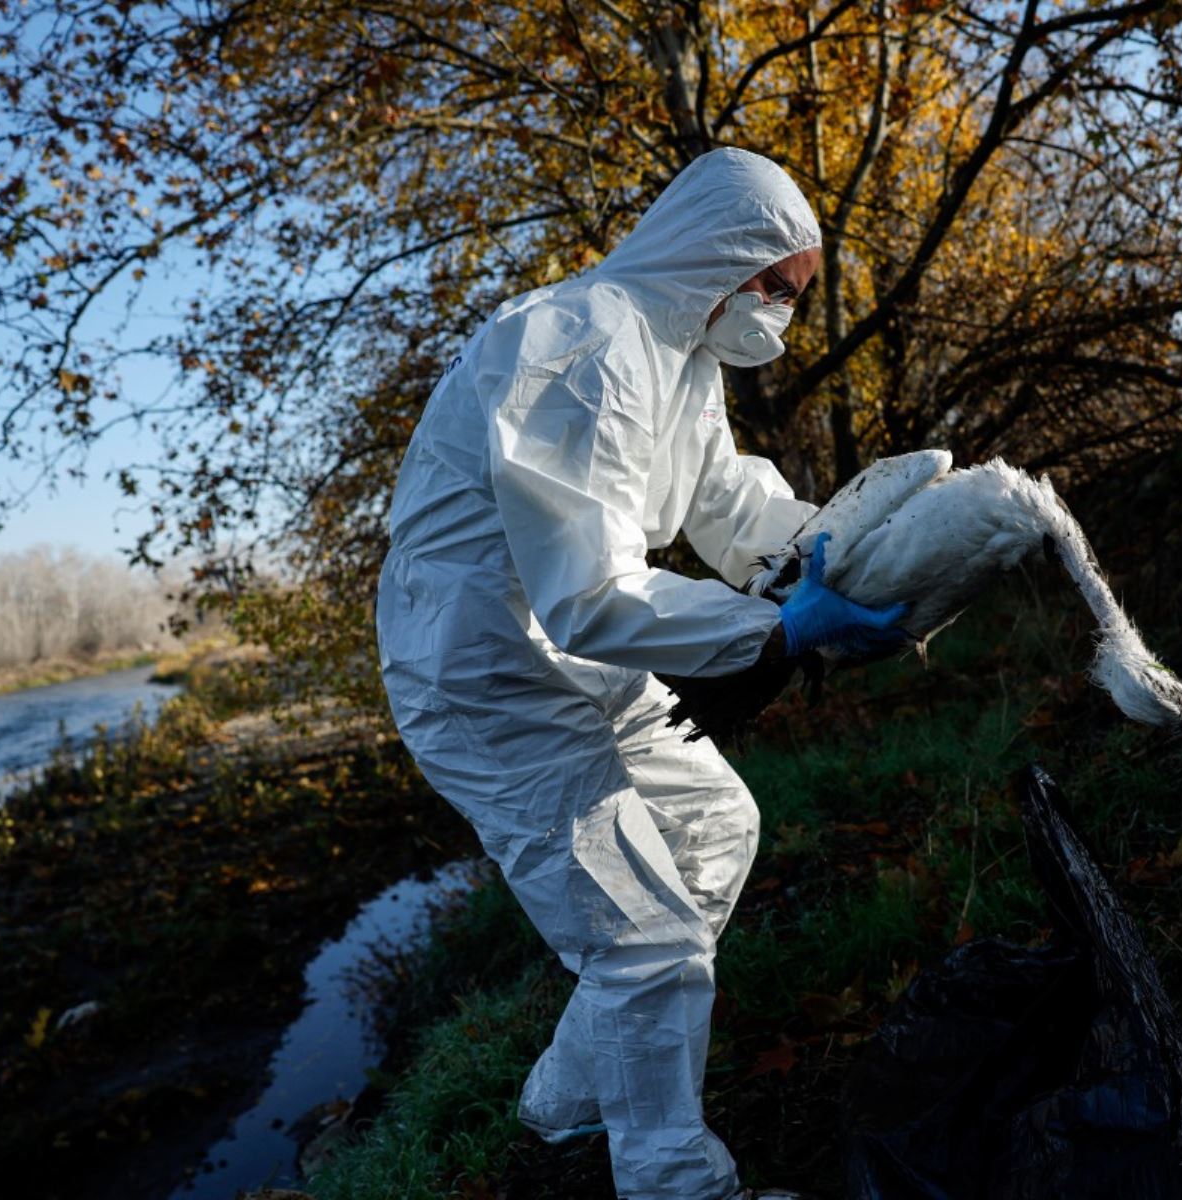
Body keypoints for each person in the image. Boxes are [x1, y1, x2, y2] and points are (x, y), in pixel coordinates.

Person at [375, 147, 906, 1200]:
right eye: (776, 287)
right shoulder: (580, 345)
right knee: (646, 938)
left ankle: (568, 1098)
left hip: (571, 664)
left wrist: (841, 558)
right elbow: (590, 592)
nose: (782, 315)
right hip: (484, 678)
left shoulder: (679, 357)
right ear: (720, 253)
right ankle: (674, 1182)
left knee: (715, 829)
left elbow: (727, 499)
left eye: (797, 297)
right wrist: (778, 632)